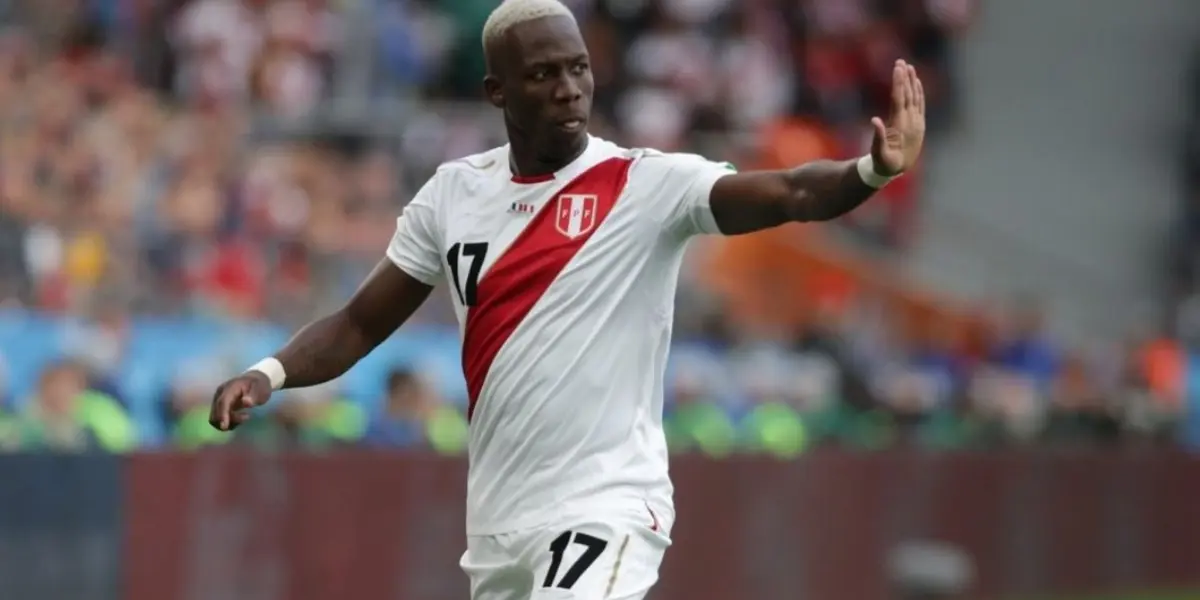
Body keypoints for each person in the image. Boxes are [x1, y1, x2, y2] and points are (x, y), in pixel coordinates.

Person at [208, 0, 926, 597]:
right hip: (498, 524)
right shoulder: (454, 195)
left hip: (606, 505)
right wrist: (267, 374)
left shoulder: (646, 186)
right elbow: (359, 322)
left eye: (578, 68)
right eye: (544, 73)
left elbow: (789, 191)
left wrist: (868, 170)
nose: (568, 87)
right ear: (498, 92)